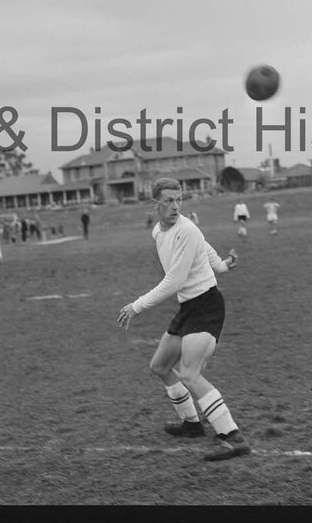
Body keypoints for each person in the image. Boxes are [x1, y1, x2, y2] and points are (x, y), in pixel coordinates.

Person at [117, 178, 250, 461]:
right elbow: (204, 245)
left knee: (189, 374)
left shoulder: (186, 229)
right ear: (155, 203)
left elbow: (175, 280)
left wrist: (137, 306)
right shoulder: (158, 231)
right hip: (188, 307)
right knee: (160, 365)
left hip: (206, 306)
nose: (176, 206)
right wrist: (221, 265)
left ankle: (232, 437)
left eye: (179, 200)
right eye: (168, 200)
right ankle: (191, 424)